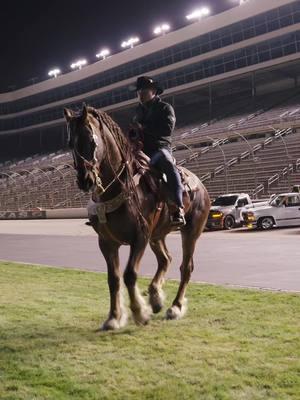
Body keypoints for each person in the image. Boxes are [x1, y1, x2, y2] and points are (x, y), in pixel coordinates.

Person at [130, 76, 185, 226]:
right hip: (141, 150)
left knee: (168, 164)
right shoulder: (138, 111)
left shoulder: (165, 108)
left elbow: (167, 129)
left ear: (154, 91)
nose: (140, 93)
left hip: (159, 148)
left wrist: (144, 128)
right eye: (138, 91)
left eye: (144, 90)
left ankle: (177, 207)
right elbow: (135, 130)